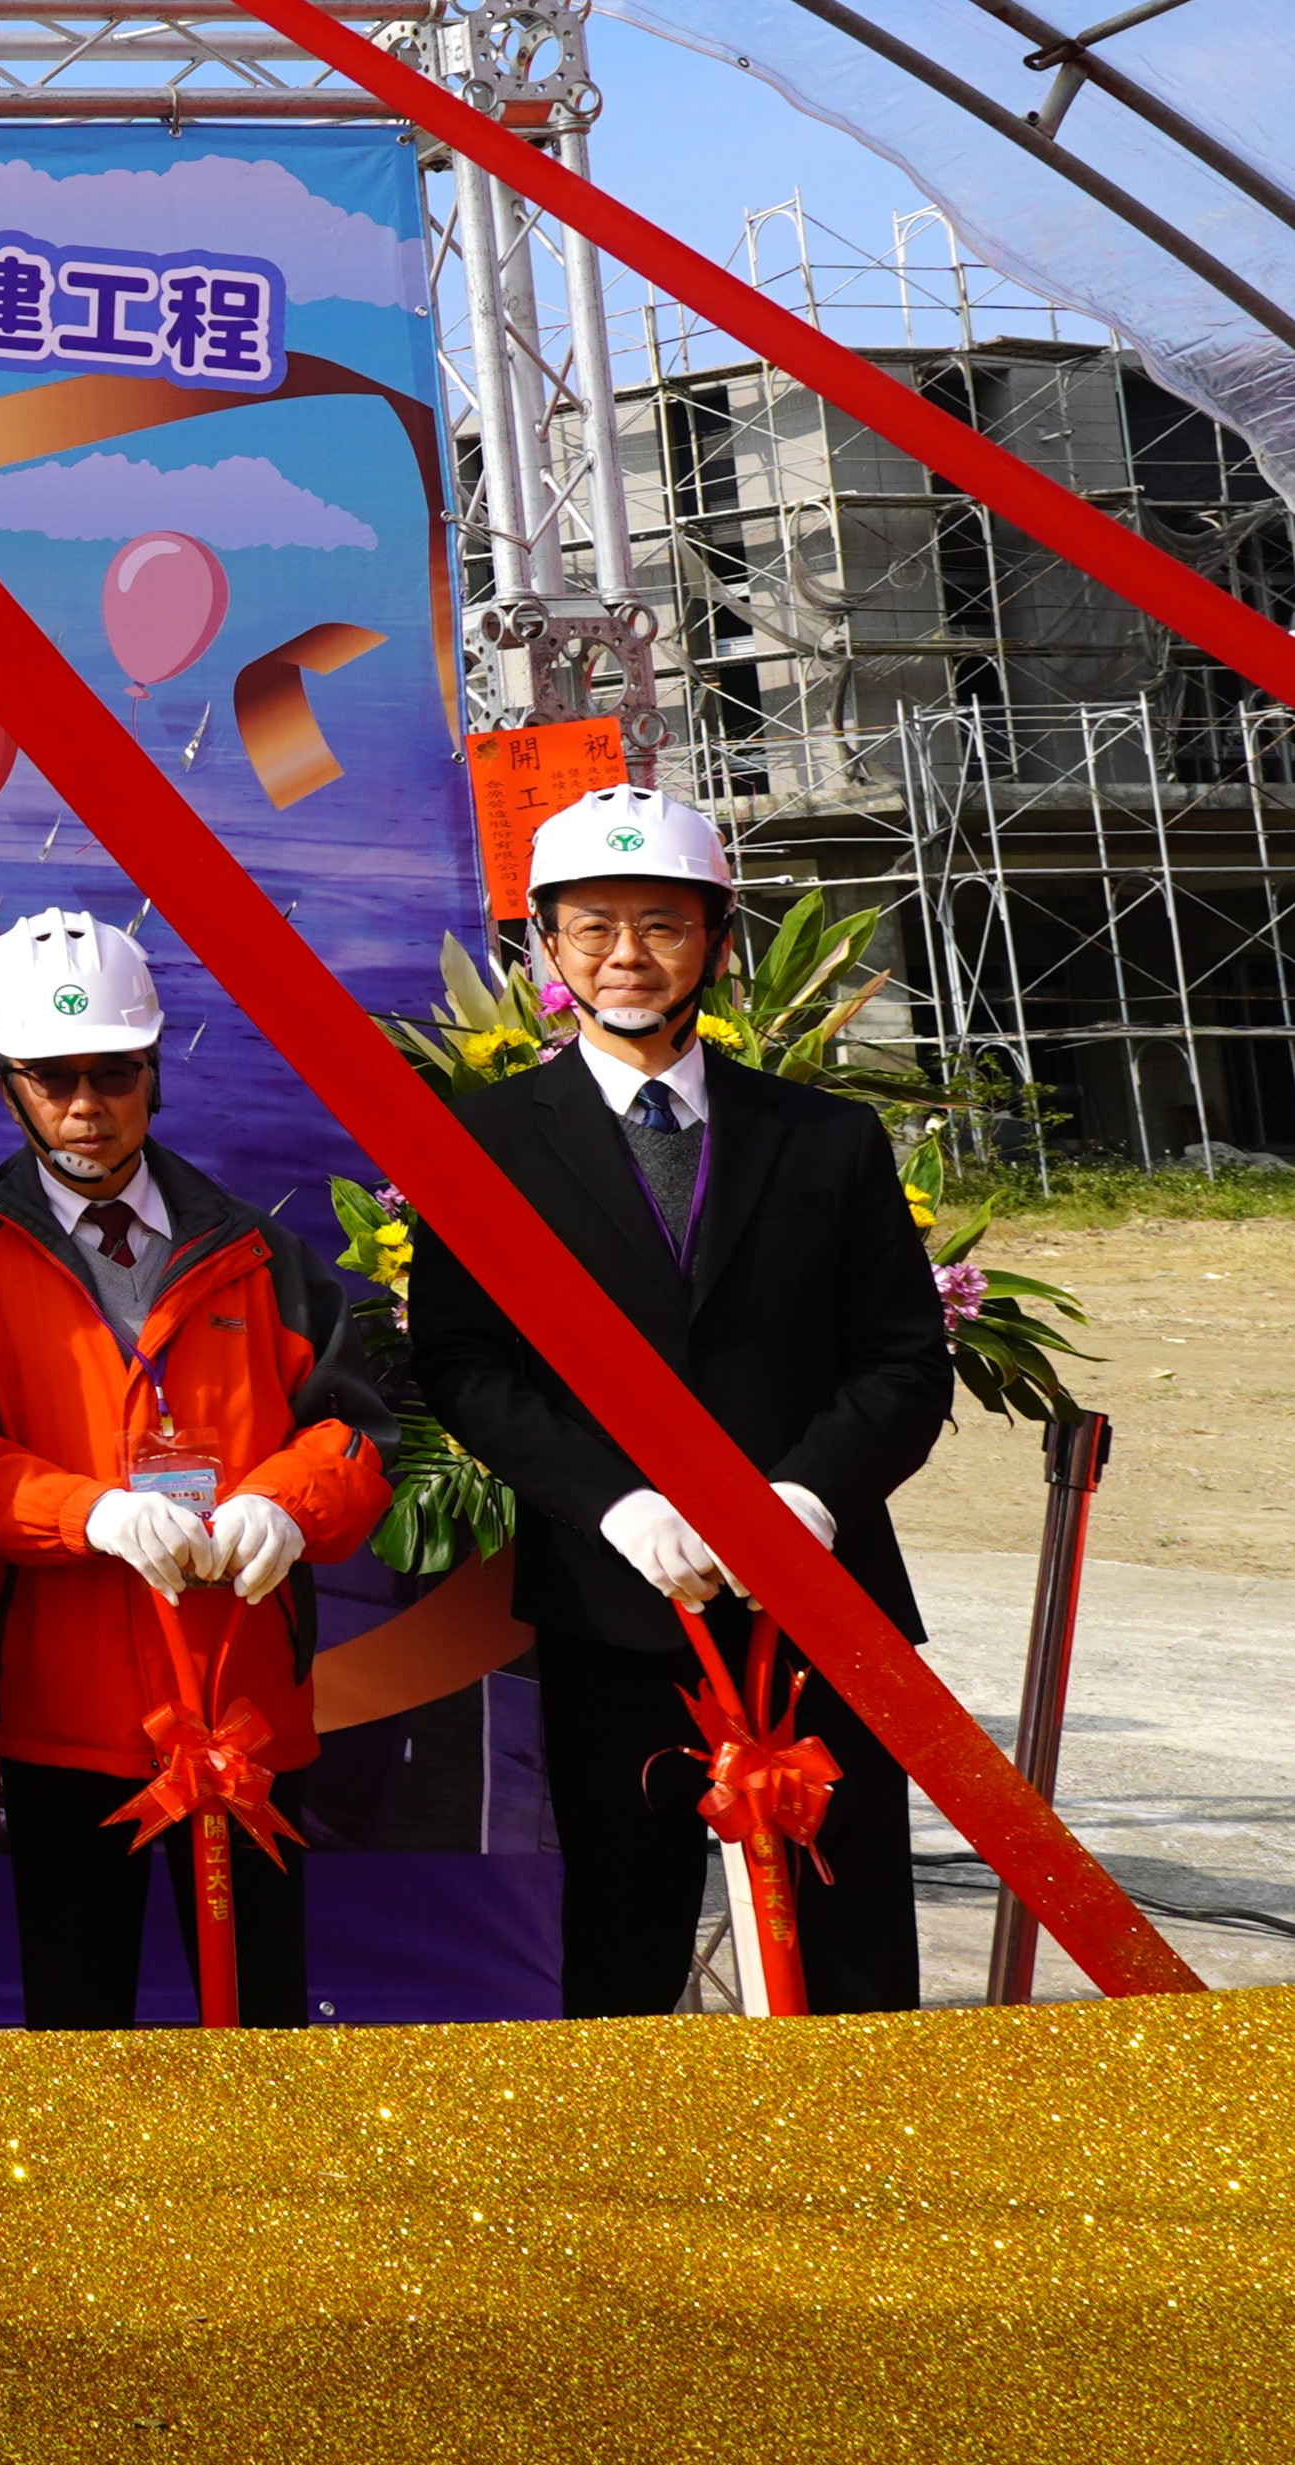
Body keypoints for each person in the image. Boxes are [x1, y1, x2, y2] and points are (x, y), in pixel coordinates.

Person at [409, 783, 949, 2018]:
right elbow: (464, 1363)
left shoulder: (822, 1136)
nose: (625, 954)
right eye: (591, 926)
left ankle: (867, 2138)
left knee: (848, 1931)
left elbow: (902, 1358)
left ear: (713, 938)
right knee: (624, 1934)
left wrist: (806, 1496)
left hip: (819, 1598)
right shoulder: (481, 1144)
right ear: (546, 947)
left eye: (659, 923)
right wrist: (613, 1504)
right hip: (615, 1608)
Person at [0, 909, 388, 2029]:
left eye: (113, 1071)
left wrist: (285, 1503)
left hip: (244, 1699)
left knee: (261, 2024)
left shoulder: (260, 1250)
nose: (86, 1102)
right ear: (4, 1082)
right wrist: (86, 1514)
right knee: (77, 2029)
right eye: (52, 1076)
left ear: (154, 1068)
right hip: (63, 1710)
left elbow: (356, 1431)